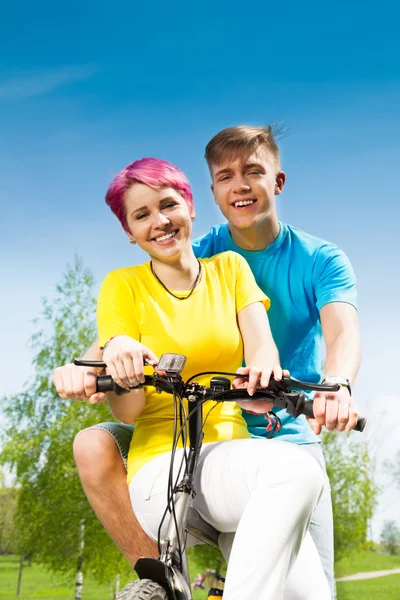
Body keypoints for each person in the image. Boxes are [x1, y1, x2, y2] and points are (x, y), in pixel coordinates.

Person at [54, 125, 360, 599]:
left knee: (310, 588)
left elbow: (311, 339)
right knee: (95, 442)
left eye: (253, 172)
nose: (160, 220)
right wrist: (91, 364)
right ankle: (161, 583)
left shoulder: (257, 264)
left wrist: (327, 384)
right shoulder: (145, 274)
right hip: (178, 455)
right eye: (226, 176)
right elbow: (120, 342)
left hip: (265, 443)